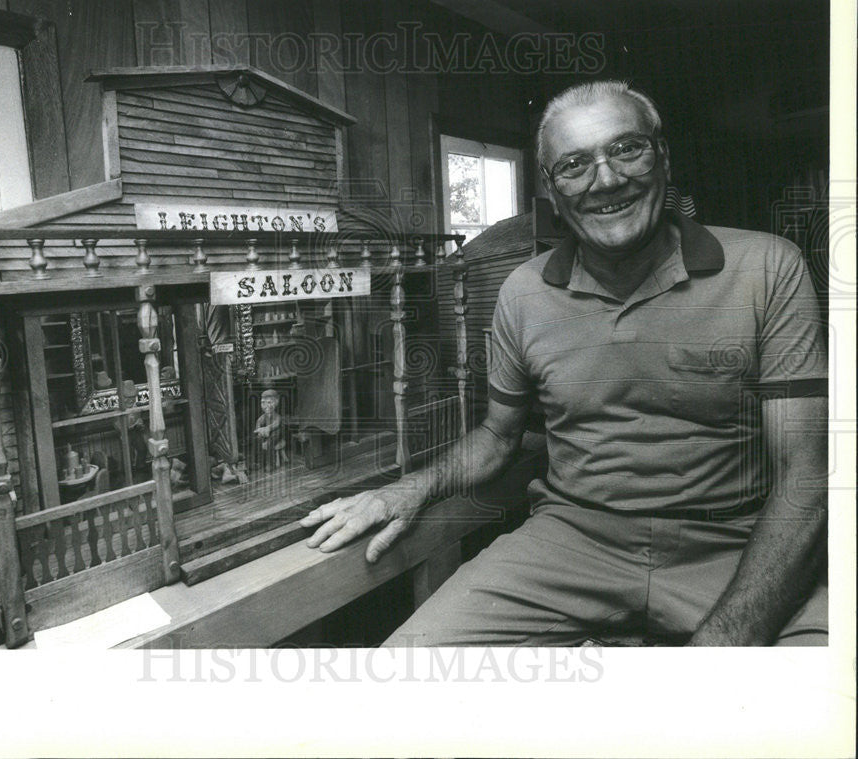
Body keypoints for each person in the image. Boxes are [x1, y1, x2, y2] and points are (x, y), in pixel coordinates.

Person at [301, 80, 828, 647]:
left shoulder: (769, 267)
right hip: (572, 542)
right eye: (574, 165)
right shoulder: (523, 292)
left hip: (732, 543)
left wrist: (721, 643)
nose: (605, 181)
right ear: (551, 191)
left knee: (816, 695)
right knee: (403, 668)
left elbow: (807, 471)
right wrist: (409, 490)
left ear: (663, 158)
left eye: (627, 149)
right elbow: (498, 439)